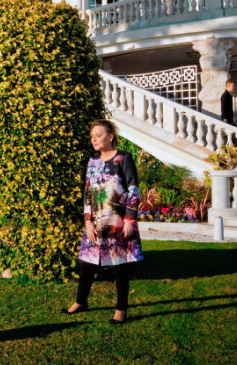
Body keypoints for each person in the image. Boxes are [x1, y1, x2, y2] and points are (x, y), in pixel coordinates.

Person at [61, 119, 143, 324]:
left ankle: (121, 310)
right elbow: (88, 192)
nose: (94, 139)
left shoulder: (124, 158)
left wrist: (129, 220)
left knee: (119, 266)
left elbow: (133, 188)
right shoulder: (92, 161)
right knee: (87, 264)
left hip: (117, 222)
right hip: (95, 222)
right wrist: (87, 221)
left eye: (98, 135)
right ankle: (81, 302)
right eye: (92, 136)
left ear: (110, 136)